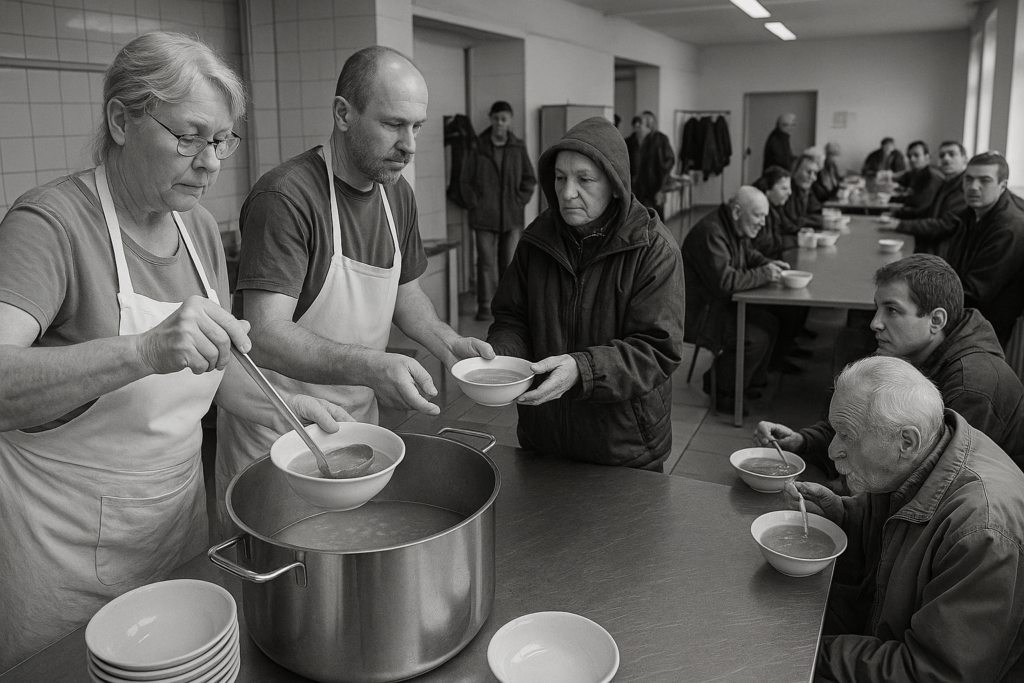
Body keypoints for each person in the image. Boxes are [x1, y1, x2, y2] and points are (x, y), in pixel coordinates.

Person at [0, 33, 351, 670]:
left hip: (176, 528)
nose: (210, 161)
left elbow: (210, 373)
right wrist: (144, 349)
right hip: (63, 547)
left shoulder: (196, 233)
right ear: (120, 120)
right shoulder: (49, 225)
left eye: (221, 140)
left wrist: (290, 409)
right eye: (189, 136)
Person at [215, 46, 494, 535]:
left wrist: (450, 345)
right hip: (282, 434)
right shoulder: (286, 197)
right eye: (393, 125)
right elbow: (264, 333)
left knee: (350, 558)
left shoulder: (396, 193)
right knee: (287, 562)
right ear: (343, 114)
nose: (409, 145)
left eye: (417, 127)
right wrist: (370, 365)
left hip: (358, 426)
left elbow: (406, 296)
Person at [785, 356, 1024, 682]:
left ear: (906, 442)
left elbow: (933, 672)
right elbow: (897, 537)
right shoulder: (924, 451)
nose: (831, 451)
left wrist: (805, 652)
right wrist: (841, 516)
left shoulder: (981, 532)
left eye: (847, 435)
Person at [486, 116, 685, 471]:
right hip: (544, 436)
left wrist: (582, 370)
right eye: (560, 178)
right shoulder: (537, 240)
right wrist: (501, 360)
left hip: (623, 446)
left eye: (584, 179)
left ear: (615, 183)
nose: (567, 193)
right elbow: (512, 317)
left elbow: (657, 349)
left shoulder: (653, 249)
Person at [754, 254, 1024, 483]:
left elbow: (932, 485)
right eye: (877, 309)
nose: (875, 323)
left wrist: (839, 504)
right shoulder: (912, 349)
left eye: (892, 310)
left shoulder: (972, 386)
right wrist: (803, 441)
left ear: (936, 320)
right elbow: (864, 423)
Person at [682, 187, 788, 412]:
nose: (762, 223)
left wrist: (767, 264)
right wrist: (764, 274)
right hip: (700, 314)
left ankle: (746, 384)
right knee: (753, 338)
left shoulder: (732, 226)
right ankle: (721, 391)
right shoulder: (711, 232)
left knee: (771, 323)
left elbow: (748, 254)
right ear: (737, 212)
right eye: (758, 215)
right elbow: (725, 282)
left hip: (719, 306)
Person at [939, 152, 1024, 346]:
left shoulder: (1010, 227)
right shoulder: (971, 212)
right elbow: (953, 264)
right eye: (968, 179)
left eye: (984, 180)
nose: (973, 187)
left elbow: (976, 292)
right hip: (964, 309)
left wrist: (926, 297)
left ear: (1002, 186)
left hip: (985, 327)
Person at [468, 100, 537, 321]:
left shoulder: (518, 146)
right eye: (496, 118)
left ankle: (507, 309)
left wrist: (518, 201)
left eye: (504, 119)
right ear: (491, 118)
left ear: (510, 121)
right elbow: (464, 178)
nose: (500, 123)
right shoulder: (477, 145)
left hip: (511, 215)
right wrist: (475, 202)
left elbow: (529, 179)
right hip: (483, 216)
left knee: (510, 264)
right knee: (486, 263)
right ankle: (485, 307)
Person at [887, 140, 968, 255]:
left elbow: (944, 225)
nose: (946, 159)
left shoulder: (964, 187)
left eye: (952, 154)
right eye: (942, 155)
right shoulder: (947, 182)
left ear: (964, 158)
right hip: (932, 243)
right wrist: (897, 215)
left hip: (942, 253)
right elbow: (929, 211)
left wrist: (900, 224)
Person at [632, 110, 676, 220]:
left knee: (655, 221)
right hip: (637, 191)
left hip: (654, 190)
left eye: (640, 122)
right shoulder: (632, 141)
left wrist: (661, 190)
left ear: (649, 125)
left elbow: (668, 164)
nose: (637, 125)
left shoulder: (660, 140)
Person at [752, 165, 795, 259]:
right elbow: (766, 246)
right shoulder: (759, 211)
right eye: (784, 188)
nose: (790, 192)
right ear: (767, 190)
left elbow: (789, 227)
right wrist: (796, 241)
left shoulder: (776, 207)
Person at [893, 140, 943, 210]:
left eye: (916, 155)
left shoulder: (932, 176)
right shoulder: (916, 173)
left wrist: (895, 213)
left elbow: (920, 204)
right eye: (909, 156)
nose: (912, 159)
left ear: (927, 157)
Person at [781, 153, 823, 229]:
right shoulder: (786, 192)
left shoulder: (807, 191)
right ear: (795, 171)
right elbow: (790, 223)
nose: (813, 178)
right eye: (808, 172)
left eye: (815, 173)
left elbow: (817, 211)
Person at [624, 115, 642, 180]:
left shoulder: (649, 142)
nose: (637, 130)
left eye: (639, 127)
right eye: (635, 127)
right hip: (632, 175)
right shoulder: (628, 142)